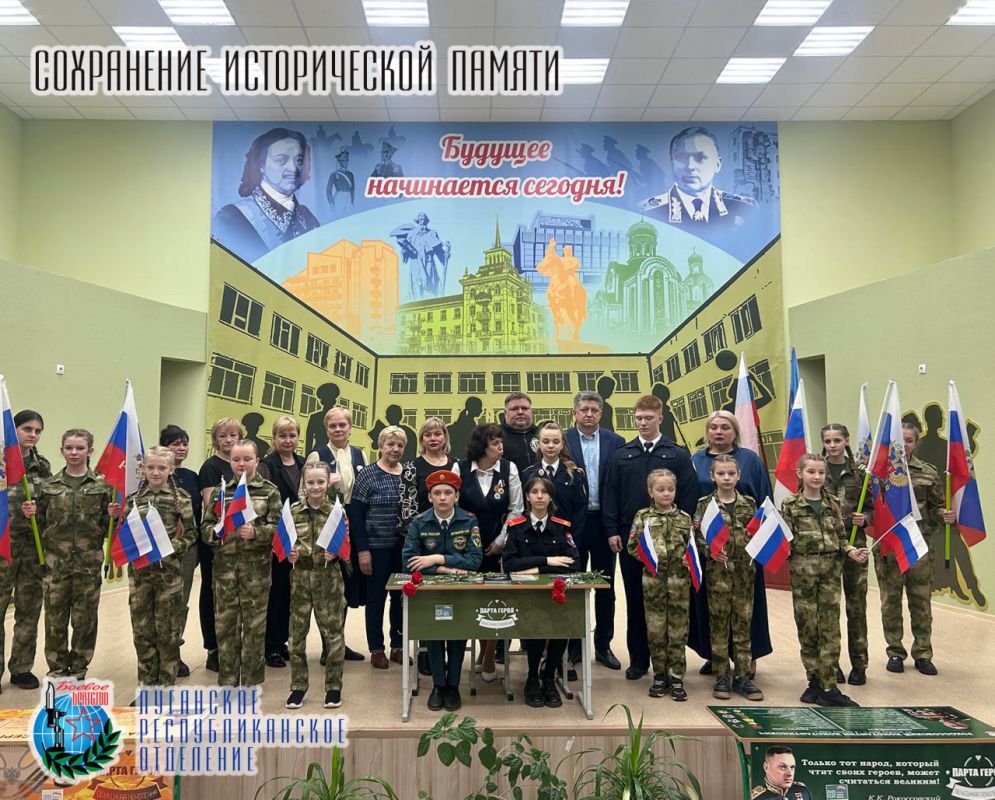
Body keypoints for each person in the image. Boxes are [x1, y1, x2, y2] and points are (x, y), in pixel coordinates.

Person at [603, 395, 698, 680]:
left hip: (671, 541)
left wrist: (684, 533)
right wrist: (612, 530)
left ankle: (670, 663)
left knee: (671, 602)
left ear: (660, 419)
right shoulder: (622, 454)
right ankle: (639, 659)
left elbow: (689, 495)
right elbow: (610, 494)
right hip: (633, 540)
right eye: (639, 418)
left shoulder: (677, 454)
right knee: (636, 600)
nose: (643, 423)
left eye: (648, 418)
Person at [23, 429, 114, 679]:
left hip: (88, 565)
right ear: (61, 450)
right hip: (55, 566)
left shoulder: (103, 487)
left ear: (90, 451)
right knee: (55, 620)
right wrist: (29, 515)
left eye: (80, 448)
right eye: (69, 448)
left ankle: (79, 669)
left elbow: (108, 526)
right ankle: (57, 668)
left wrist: (114, 516)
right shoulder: (48, 487)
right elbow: (39, 526)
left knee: (85, 621)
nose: (74, 452)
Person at [688, 410, 773, 676]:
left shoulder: (750, 460)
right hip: (711, 549)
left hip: (744, 548)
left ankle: (748, 657)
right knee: (711, 605)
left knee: (747, 606)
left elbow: (765, 503)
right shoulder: (696, 460)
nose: (719, 431)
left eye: (725, 427)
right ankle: (716, 656)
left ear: (735, 431)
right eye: (713, 427)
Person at [780, 454, 868, 707]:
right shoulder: (790, 504)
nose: (817, 477)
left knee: (829, 627)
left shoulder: (833, 503)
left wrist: (851, 551)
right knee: (807, 626)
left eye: (821, 472)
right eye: (811, 472)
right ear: (800, 474)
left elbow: (840, 536)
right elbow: (783, 538)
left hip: (830, 570)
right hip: (803, 570)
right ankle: (814, 682)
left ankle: (829, 686)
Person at [110, 446, 195, 692]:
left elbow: (191, 534)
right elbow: (123, 533)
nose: (156, 472)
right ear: (143, 469)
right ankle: (146, 685)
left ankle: (165, 686)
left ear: (171, 470)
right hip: (140, 577)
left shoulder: (182, 499)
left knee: (167, 632)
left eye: (161, 468)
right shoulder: (133, 500)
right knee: (142, 632)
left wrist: (170, 547)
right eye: (151, 467)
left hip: (169, 576)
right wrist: (114, 518)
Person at [875, 424, 954, 677]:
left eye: (908, 440)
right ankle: (895, 652)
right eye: (900, 440)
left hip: (919, 545)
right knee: (890, 601)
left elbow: (936, 506)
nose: (904, 444)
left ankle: (923, 654)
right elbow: (871, 506)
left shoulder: (928, 472)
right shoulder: (879, 472)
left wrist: (943, 514)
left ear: (915, 443)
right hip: (890, 546)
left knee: (921, 602)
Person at [201, 440, 281, 686]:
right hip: (224, 572)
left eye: (247, 459)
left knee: (255, 628)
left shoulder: (269, 491)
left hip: (256, 572)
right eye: (236, 459)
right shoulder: (221, 492)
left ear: (257, 461)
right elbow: (205, 526)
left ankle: (251, 683)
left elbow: (280, 529)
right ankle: (228, 680)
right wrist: (216, 533)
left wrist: (257, 533)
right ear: (230, 462)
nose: (241, 464)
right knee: (226, 626)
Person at [402, 470, 482, 711]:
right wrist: (446, 569)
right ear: (430, 497)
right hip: (431, 592)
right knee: (434, 635)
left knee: (458, 635)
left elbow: (475, 560)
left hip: (460, 592)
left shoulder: (469, 521)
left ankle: (453, 685)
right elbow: (408, 561)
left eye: (448, 492)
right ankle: (438, 685)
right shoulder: (419, 522)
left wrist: (436, 558)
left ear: (457, 496)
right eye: (437, 493)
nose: (443, 497)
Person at [453, 423, 523, 679]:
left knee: (494, 600)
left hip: (497, 545)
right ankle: (483, 651)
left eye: (501, 442)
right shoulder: (460, 468)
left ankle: (490, 653)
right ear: (482, 446)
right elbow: (451, 505)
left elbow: (516, 509)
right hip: (465, 545)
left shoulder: (508, 468)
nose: (501, 447)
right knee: (472, 600)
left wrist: (501, 541)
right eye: (495, 443)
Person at [503, 476, 578, 709]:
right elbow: (510, 564)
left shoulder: (561, 527)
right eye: (534, 492)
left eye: (544, 492)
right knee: (536, 622)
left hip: (554, 595)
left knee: (562, 624)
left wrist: (535, 568)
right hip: (526, 596)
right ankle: (533, 678)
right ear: (527, 496)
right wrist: (548, 561)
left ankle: (549, 678)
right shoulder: (516, 527)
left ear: (550, 497)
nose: (539, 496)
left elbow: (573, 563)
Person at [693, 455, 762, 701]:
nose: (726, 478)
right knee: (719, 625)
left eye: (731, 474)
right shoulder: (705, 505)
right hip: (718, 574)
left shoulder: (749, 504)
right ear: (712, 476)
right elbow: (697, 535)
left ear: (738, 475)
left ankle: (742, 676)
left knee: (743, 624)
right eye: (721, 474)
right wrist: (709, 550)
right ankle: (722, 674)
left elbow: (758, 532)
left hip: (744, 573)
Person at [522, 420, 588, 678]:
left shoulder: (575, 474)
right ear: (538, 444)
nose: (550, 446)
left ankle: (562, 659)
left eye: (556, 441)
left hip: (566, 547)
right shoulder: (529, 473)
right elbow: (523, 510)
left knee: (564, 604)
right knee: (538, 605)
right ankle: (537, 658)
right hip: (535, 548)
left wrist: (572, 543)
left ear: (562, 444)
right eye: (546, 441)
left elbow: (581, 512)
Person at [566, 392, 625, 671]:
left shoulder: (616, 442)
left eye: (594, 410)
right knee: (573, 586)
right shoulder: (563, 440)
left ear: (601, 413)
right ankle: (574, 646)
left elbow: (617, 485)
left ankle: (603, 645)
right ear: (574, 413)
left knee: (605, 587)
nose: (589, 414)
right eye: (584, 410)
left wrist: (614, 526)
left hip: (604, 524)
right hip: (573, 525)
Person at [285, 461, 347, 710]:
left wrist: (338, 554)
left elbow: (346, 546)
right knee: (296, 638)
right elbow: (285, 542)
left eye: (320, 481)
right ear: (304, 483)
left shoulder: (337, 512)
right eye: (310, 482)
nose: (316, 487)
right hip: (300, 579)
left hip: (328, 579)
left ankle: (333, 687)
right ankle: (298, 686)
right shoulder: (293, 512)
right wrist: (289, 554)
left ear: (328, 482)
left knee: (333, 636)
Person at [309, 405, 368, 663]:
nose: (338, 429)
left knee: (345, 585)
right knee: (328, 588)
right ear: (326, 430)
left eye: (342, 425)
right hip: (327, 523)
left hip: (352, 523)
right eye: (332, 425)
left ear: (350, 428)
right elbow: (306, 491)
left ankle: (339, 643)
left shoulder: (360, 454)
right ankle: (328, 646)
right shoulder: (318, 454)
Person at [628, 469, 693, 701]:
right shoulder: (643, 517)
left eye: (670, 489)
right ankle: (659, 675)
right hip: (653, 583)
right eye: (661, 489)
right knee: (656, 630)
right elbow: (632, 546)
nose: (666, 493)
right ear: (650, 492)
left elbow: (692, 547)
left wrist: (689, 559)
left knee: (678, 631)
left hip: (679, 583)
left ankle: (676, 677)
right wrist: (649, 558)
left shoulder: (685, 518)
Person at [213, 127, 319, 262]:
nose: (293, 169)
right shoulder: (232, 217)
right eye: (281, 160)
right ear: (261, 164)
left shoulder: (308, 218)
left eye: (298, 161)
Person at [1, 410, 51, 690]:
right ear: (14, 430)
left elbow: (50, 503)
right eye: (27, 429)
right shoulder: (1, 463)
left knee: (29, 609)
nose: (33, 434)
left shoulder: (41, 466)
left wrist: (37, 509)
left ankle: (21, 669)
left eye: (37, 430)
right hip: (3, 545)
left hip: (32, 547)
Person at [350, 426, 408, 669]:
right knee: (376, 599)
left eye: (400, 445)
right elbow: (356, 515)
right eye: (390, 444)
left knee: (401, 598)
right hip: (375, 549)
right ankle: (376, 649)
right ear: (380, 446)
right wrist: (362, 550)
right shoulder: (368, 474)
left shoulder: (408, 474)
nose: (395, 449)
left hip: (403, 549)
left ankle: (398, 646)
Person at [822, 423, 874, 686]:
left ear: (846, 441)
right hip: (827, 548)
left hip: (856, 547)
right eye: (828, 441)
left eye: (837, 440)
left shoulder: (860, 474)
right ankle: (831, 665)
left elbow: (872, 508)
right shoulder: (815, 471)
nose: (832, 445)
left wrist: (865, 518)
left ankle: (859, 664)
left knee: (856, 608)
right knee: (828, 610)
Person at [257, 415, 306, 670]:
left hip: (301, 535)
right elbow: (260, 500)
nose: (288, 440)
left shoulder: (304, 463)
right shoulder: (266, 466)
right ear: (274, 438)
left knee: (291, 592)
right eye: (282, 436)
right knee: (275, 592)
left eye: (292, 435)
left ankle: (283, 641)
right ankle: (271, 645)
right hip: (277, 536)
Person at [641, 126, 755, 231]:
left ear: (717, 165)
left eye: (700, 158)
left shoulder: (743, 207)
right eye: (681, 158)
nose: (690, 166)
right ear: (672, 162)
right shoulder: (646, 213)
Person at [197, 418, 244, 673]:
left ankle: (235, 645)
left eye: (233, 435)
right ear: (215, 439)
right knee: (212, 593)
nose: (228, 440)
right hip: (217, 541)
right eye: (223, 435)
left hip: (243, 541)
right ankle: (213, 648)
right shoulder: (211, 467)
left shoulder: (243, 463)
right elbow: (212, 505)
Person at [159, 424, 201, 679]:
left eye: (185, 443)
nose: (181, 448)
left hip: (186, 549)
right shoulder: (155, 475)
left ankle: (174, 652)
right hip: (158, 553)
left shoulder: (192, 476)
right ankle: (157, 654)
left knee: (180, 602)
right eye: (175, 444)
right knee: (159, 604)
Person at [500, 392, 540, 474]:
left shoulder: (542, 434)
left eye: (525, 408)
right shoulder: (495, 436)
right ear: (505, 413)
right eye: (514, 409)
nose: (520, 412)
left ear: (531, 411)